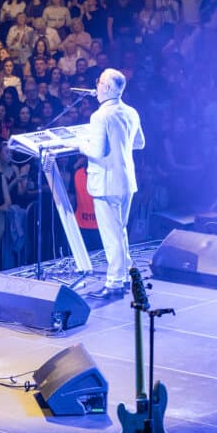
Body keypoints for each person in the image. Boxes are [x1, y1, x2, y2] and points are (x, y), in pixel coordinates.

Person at [78, 67, 145, 299]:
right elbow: (139, 143)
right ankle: (126, 274)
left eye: (98, 83)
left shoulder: (100, 116)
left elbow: (96, 150)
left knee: (112, 234)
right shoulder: (131, 112)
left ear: (106, 87)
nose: (96, 86)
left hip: (106, 183)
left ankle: (115, 282)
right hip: (126, 181)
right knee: (119, 230)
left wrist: (81, 142)